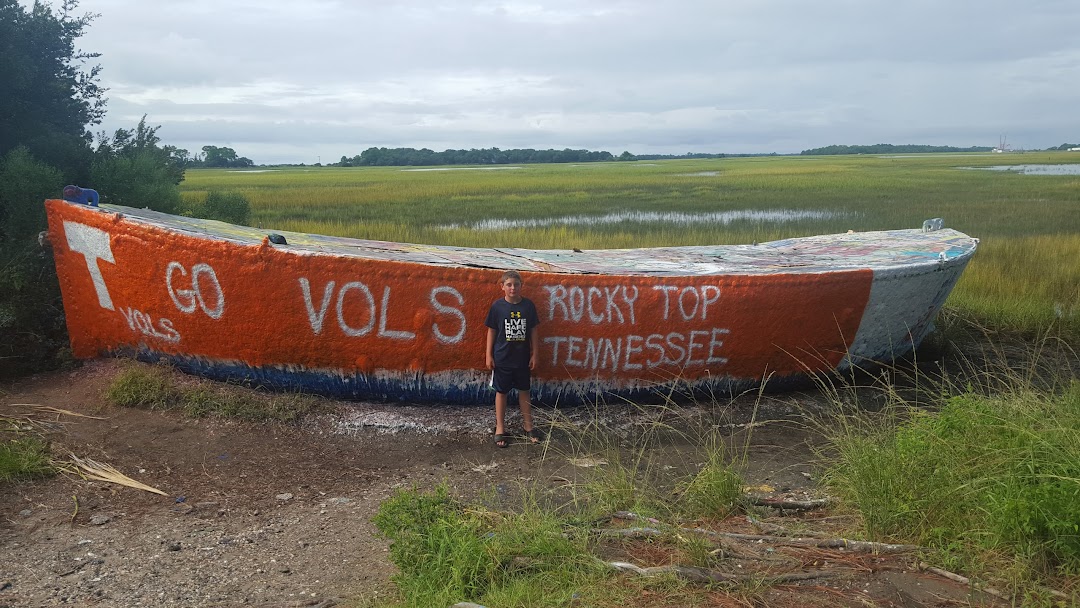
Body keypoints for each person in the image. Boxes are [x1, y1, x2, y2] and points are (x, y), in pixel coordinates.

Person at [485, 270, 542, 448]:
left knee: (524, 390)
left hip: (522, 358)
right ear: (502, 287)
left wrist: (535, 353)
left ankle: (528, 426)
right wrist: (488, 354)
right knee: (501, 392)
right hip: (502, 358)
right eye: (509, 284)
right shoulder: (497, 307)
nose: (512, 288)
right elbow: (491, 331)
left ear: (521, 286)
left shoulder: (528, 306)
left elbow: (533, 330)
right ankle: (500, 428)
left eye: (516, 284)